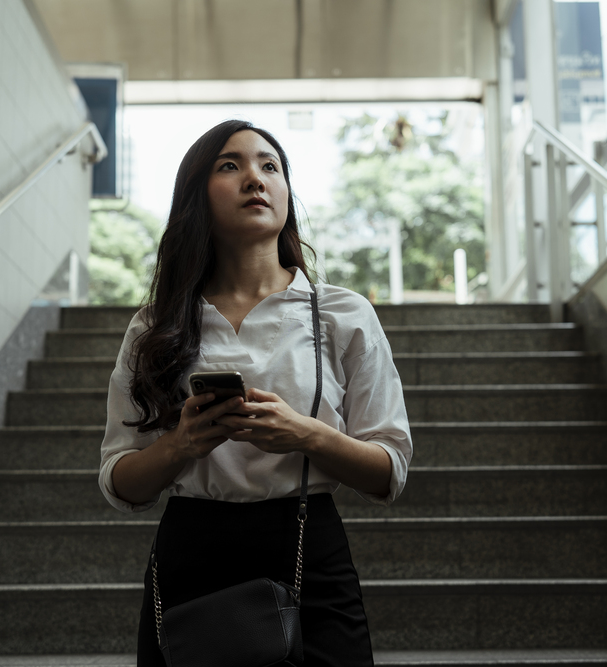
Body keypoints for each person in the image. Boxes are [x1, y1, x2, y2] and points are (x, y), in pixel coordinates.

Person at [98, 119, 413, 666]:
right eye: (230, 165)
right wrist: (181, 445)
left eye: (270, 166)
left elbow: (389, 469)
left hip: (306, 546)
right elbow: (118, 479)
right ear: (198, 195)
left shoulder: (344, 314)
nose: (255, 178)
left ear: (287, 193)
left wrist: (305, 433)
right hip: (190, 555)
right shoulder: (157, 326)